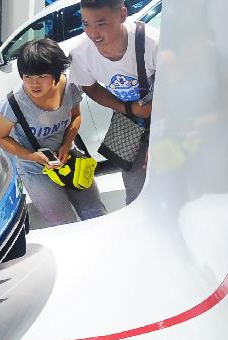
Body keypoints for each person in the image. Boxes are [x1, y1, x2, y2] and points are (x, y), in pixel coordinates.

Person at [0, 39, 107, 227]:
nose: (33, 84)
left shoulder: (70, 86)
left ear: (57, 72)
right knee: (63, 222)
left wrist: (65, 144)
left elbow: (76, 116)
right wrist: (32, 156)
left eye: (41, 76)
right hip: (35, 169)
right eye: (27, 76)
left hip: (69, 159)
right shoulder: (14, 103)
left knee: (95, 212)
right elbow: (0, 136)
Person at [68, 0, 158, 204]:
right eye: (86, 24)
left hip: (167, 119)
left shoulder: (152, 42)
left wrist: (160, 138)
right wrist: (127, 108)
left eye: (101, 24)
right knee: (135, 188)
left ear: (123, 14)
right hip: (129, 122)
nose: (93, 33)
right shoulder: (81, 52)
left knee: (170, 176)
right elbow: (90, 88)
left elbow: (176, 91)